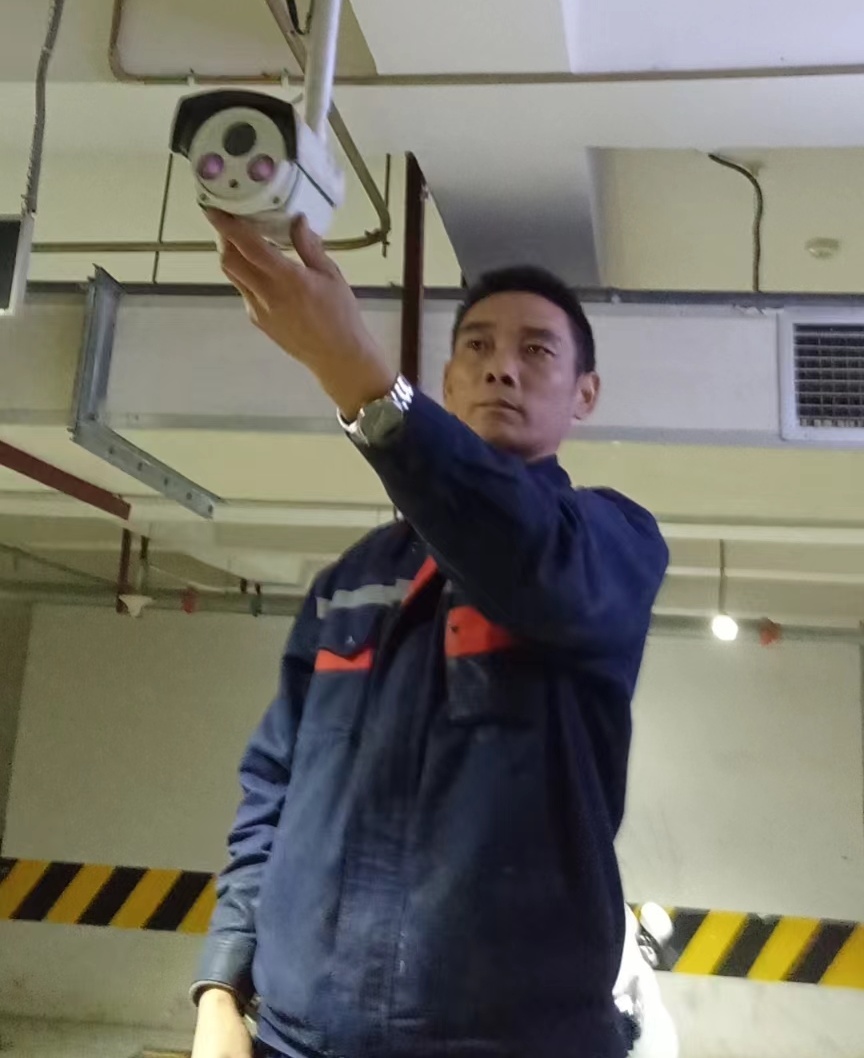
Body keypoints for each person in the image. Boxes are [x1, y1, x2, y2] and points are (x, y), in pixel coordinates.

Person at [189, 209, 670, 1058]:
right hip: (298, 1039)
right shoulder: (350, 583)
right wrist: (222, 986)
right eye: (477, 346)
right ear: (448, 381)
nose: (501, 368)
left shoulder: (607, 545)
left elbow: (522, 551)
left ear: (584, 395)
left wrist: (360, 376)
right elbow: (272, 787)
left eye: (537, 351)